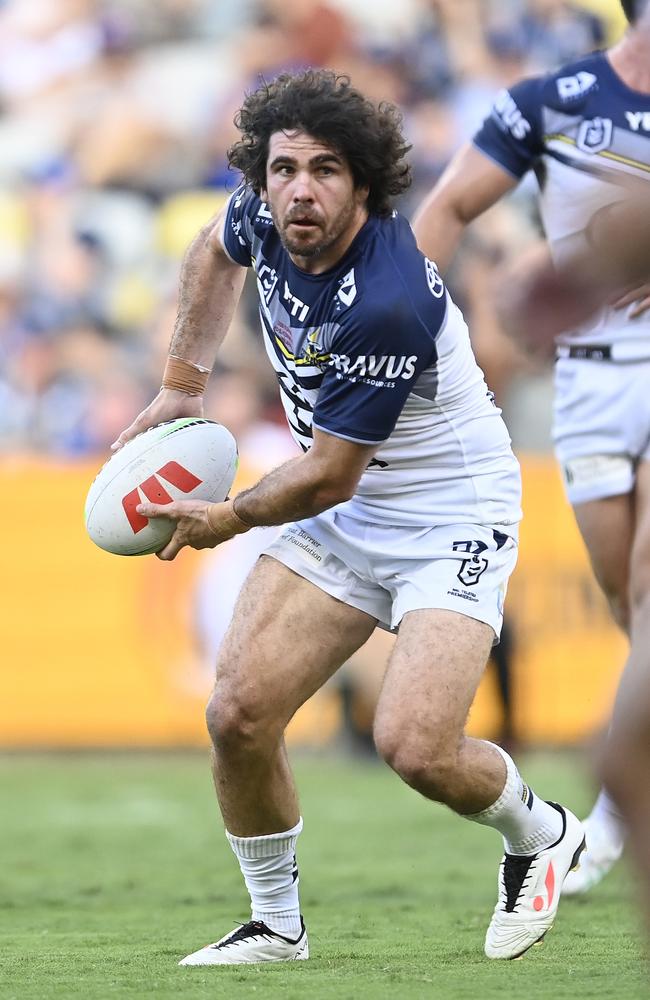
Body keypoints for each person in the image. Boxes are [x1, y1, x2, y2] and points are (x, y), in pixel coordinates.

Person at [113, 70, 584, 965]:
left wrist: (228, 517)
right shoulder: (263, 216)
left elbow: (326, 475)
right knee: (239, 714)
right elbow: (211, 253)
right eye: (283, 168)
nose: (300, 188)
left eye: (325, 170)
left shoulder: (388, 298)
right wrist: (181, 385)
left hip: (448, 515)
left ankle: (540, 832)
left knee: (414, 745)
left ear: (363, 184)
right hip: (349, 500)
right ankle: (275, 926)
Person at [412, 0, 650, 897]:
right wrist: (411, 331)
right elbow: (450, 207)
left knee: (646, 590)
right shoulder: (553, 99)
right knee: (628, 604)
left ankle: (617, 816)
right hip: (586, 382)